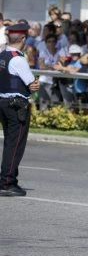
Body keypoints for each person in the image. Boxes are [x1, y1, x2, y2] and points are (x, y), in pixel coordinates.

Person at [0, 23, 40, 196]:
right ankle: (7, 182)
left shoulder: (2, 55)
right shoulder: (17, 58)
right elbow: (32, 85)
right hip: (16, 105)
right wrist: (35, 84)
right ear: (23, 39)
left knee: (10, 142)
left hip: (3, 102)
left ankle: (9, 179)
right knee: (15, 145)